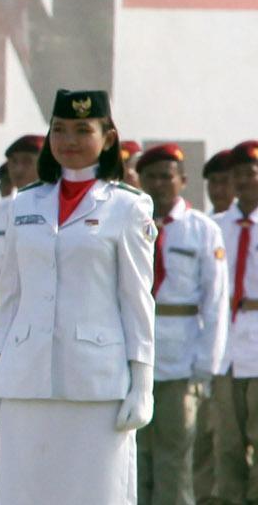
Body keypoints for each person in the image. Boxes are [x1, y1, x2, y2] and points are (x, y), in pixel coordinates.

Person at [0, 89, 156, 502]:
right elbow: (9, 298)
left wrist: (142, 382)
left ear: (108, 137)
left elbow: (137, 300)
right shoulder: (24, 204)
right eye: (59, 130)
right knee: (26, 491)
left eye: (83, 130)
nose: (69, 141)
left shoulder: (127, 207)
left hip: (96, 381)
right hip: (26, 377)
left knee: (94, 492)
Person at [135, 142, 226, 505]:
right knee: (135, 454)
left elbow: (215, 302)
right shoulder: (130, 225)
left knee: (175, 456)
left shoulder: (201, 230)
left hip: (180, 359)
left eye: (166, 177)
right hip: (135, 355)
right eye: (151, 177)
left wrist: (206, 365)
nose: (158, 184)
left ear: (182, 181)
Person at [0, 135, 43, 502]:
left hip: (41, 340)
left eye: (27, 161)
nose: (19, 169)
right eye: (14, 161)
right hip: (2, 337)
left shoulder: (54, 207)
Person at [212, 141, 258, 498]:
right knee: (226, 439)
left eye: (252, 173)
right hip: (225, 343)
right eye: (239, 174)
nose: (245, 180)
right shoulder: (215, 227)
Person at [199, 148, 238, 502]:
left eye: (225, 181)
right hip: (220, 351)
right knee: (218, 441)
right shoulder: (207, 228)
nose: (219, 189)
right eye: (212, 182)